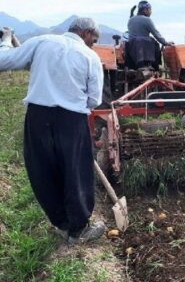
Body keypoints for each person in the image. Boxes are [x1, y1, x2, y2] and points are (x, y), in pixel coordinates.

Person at [0, 18, 106, 244]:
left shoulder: (41, 42)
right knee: (76, 172)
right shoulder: (90, 57)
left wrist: (6, 41)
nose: (93, 46)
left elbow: (3, 60)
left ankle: (62, 223)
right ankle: (79, 229)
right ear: (86, 33)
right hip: (72, 119)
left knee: (43, 170)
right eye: (94, 41)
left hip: (38, 117)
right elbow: (94, 99)